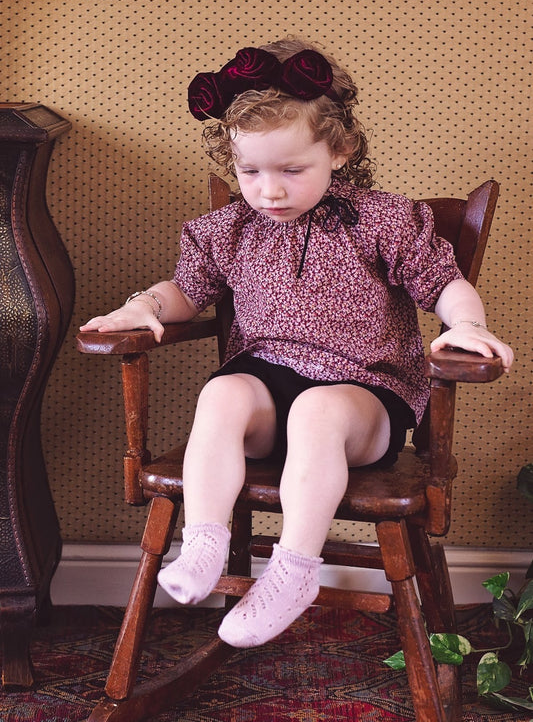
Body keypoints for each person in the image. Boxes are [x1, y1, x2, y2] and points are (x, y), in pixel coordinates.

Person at [80, 38, 514, 649]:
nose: (270, 191)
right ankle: (203, 541)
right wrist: (145, 305)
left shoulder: (382, 220)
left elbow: (443, 283)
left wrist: (465, 324)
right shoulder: (231, 229)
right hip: (268, 390)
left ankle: (293, 570)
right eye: (250, 172)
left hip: (362, 400)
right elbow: (187, 290)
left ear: (339, 150)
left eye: (291, 170)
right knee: (222, 393)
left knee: (316, 408)